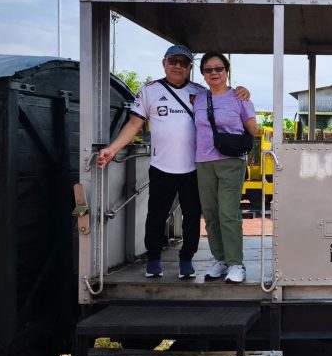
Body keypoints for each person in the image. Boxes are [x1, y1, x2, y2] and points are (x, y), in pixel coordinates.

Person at [96, 44, 248, 280]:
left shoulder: (199, 92)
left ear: (190, 68)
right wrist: (112, 149)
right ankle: (153, 259)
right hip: (161, 165)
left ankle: (187, 259)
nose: (178, 66)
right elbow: (134, 124)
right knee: (156, 214)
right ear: (164, 63)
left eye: (183, 62)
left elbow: (224, 96)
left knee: (193, 216)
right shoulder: (149, 90)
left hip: (195, 166)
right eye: (173, 61)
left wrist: (241, 91)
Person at [194, 51, 258, 284]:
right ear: (202, 73)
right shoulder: (198, 97)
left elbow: (254, 131)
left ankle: (235, 263)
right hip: (203, 161)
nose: (214, 73)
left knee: (228, 213)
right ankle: (219, 259)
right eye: (208, 69)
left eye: (218, 68)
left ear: (226, 71)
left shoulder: (240, 98)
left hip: (231, 161)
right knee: (210, 214)